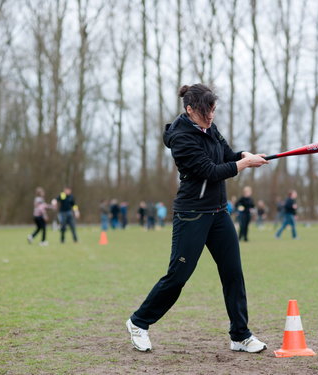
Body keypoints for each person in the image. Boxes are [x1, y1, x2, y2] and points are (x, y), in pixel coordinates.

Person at [126, 83, 268, 353]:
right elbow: (210, 171)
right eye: (205, 111)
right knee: (178, 276)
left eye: (213, 110)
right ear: (190, 109)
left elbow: (225, 155)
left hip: (218, 213)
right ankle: (138, 322)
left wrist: (243, 155)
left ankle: (240, 335)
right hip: (191, 214)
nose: (211, 116)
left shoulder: (209, 128)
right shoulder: (181, 138)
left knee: (233, 273)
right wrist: (243, 165)